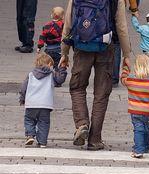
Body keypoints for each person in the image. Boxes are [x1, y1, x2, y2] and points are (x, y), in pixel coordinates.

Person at [59, 0, 131, 151]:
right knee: (101, 93)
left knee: (77, 87)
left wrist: (64, 52)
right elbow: (122, 27)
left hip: (82, 46)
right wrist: (127, 54)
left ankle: (82, 124)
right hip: (105, 47)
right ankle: (95, 139)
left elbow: (68, 23)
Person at [121, 55, 149, 158]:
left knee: (138, 129)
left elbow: (122, 79)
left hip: (135, 111)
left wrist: (125, 67)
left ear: (136, 67)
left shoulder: (130, 80)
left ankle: (138, 149)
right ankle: (145, 146)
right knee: (146, 128)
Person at [19, 53, 67, 147]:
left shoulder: (31, 75)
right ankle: (42, 142)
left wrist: (22, 98)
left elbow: (23, 87)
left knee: (29, 119)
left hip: (31, 103)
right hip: (45, 104)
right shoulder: (52, 74)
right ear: (49, 64)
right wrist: (62, 68)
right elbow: (60, 80)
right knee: (44, 123)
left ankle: (30, 135)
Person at [37, 7, 64, 72]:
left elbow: (42, 36)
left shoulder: (47, 26)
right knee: (58, 64)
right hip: (58, 49)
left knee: (46, 63)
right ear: (63, 17)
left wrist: (39, 47)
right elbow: (66, 36)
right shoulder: (63, 25)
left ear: (51, 15)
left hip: (48, 49)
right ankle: (57, 77)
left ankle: (45, 75)